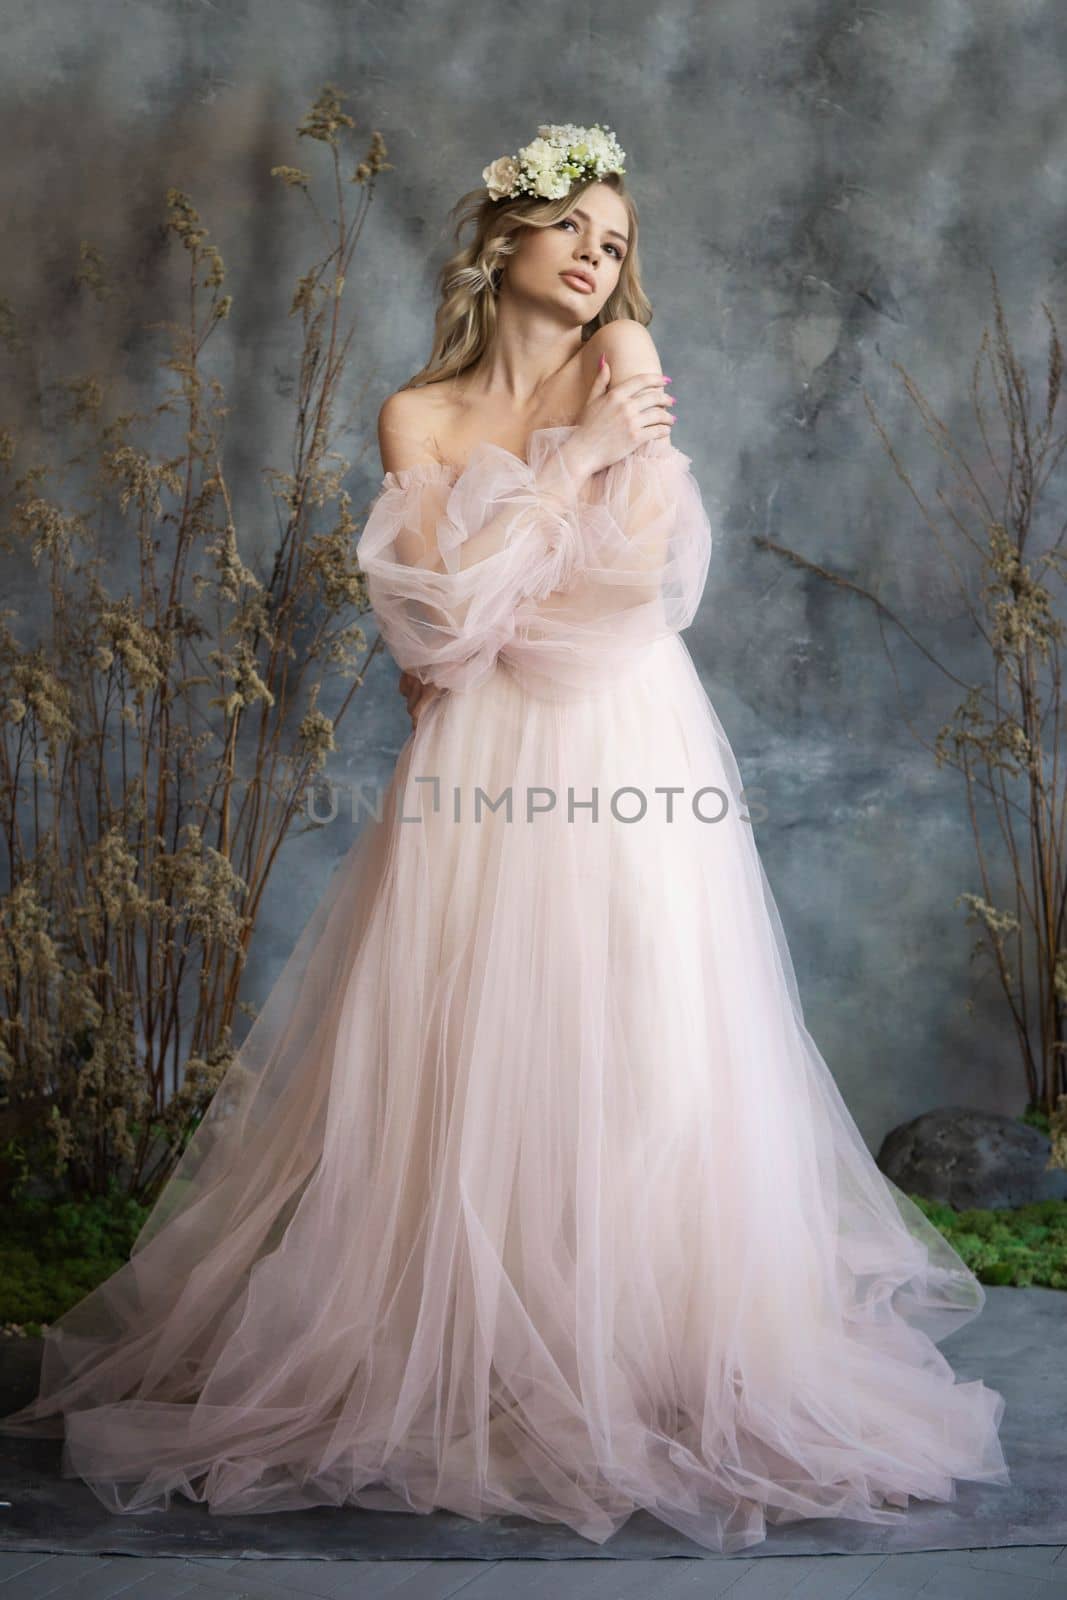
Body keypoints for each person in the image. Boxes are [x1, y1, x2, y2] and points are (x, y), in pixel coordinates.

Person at [0, 121, 1010, 1555]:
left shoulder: (627, 368)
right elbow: (427, 629)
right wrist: (554, 492)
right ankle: (468, 1350)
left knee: (640, 1026)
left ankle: (639, 1347)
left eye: (618, 241)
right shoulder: (417, 416)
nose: (601, 259)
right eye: (576, 230)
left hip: (615, 735)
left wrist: (538, 523)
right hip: (469, 758)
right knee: (465, 1039)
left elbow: (636, 589)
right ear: (504, 245)